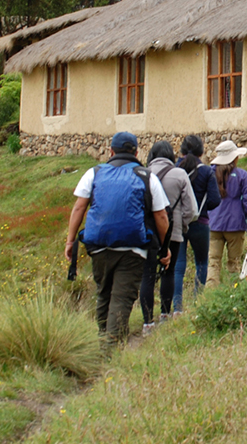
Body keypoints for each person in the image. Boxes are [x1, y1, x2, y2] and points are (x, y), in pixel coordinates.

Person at [65, 132, 170, 345]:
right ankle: (110, 349)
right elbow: (161, 216)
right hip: (133, 249)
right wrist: (163, 247)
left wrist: (70, 241)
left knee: (103, 293)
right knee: (121, 298)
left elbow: (78, 208)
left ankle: (103, 340)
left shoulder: (94, 173)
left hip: (98, 246)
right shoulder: (147, 176)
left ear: (110, 151)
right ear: (137, 152)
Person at [141, 140, 197, 328]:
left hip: (148, 233)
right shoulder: (179, 174)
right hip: (172, 232)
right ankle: (165, 314)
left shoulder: (144, 174)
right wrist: (182, 225)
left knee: (147, 276)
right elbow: (191, 209)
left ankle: (147, 322)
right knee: (169, 272)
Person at [173, 135, 221, 311]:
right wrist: (202, 207)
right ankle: (197, 303)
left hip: (178, 223)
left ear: (182, 151)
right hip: (200, 222)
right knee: (201, 262)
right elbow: (215, 200)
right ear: (201, 152)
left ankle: (176, 307)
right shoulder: (207, 172)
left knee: (178, 266)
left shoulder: (175, 169)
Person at [206, 140, 247, 287]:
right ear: (234, 158)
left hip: (214, 223)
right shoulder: (242, 175)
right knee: (234, 263)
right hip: (235, 225)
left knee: (213, 262)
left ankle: (211, 294)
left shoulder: (210, 174)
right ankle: (233, 293)